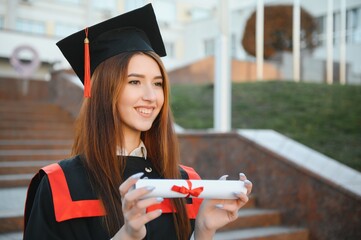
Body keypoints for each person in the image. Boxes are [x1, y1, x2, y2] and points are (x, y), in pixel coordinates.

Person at [23, 4, 252, 240]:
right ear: (104, 91)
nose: (151, 97)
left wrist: (203, 230)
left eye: (157, 83)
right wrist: (128, 236)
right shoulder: (60, 184)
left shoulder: (185, 183)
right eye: (134, 82)